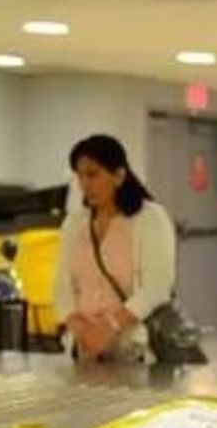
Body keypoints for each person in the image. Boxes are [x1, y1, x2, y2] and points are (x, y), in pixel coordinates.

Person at [53, 134, 176, 363]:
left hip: (135, 349)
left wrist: (111, 326)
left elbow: (158, 286)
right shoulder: (75, 223)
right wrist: (78, 327)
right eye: (79, 176)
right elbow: (62, 283)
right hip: (84, 351)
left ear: (118, 176)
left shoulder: (149, 219)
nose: (85, 184)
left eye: (93, 174)